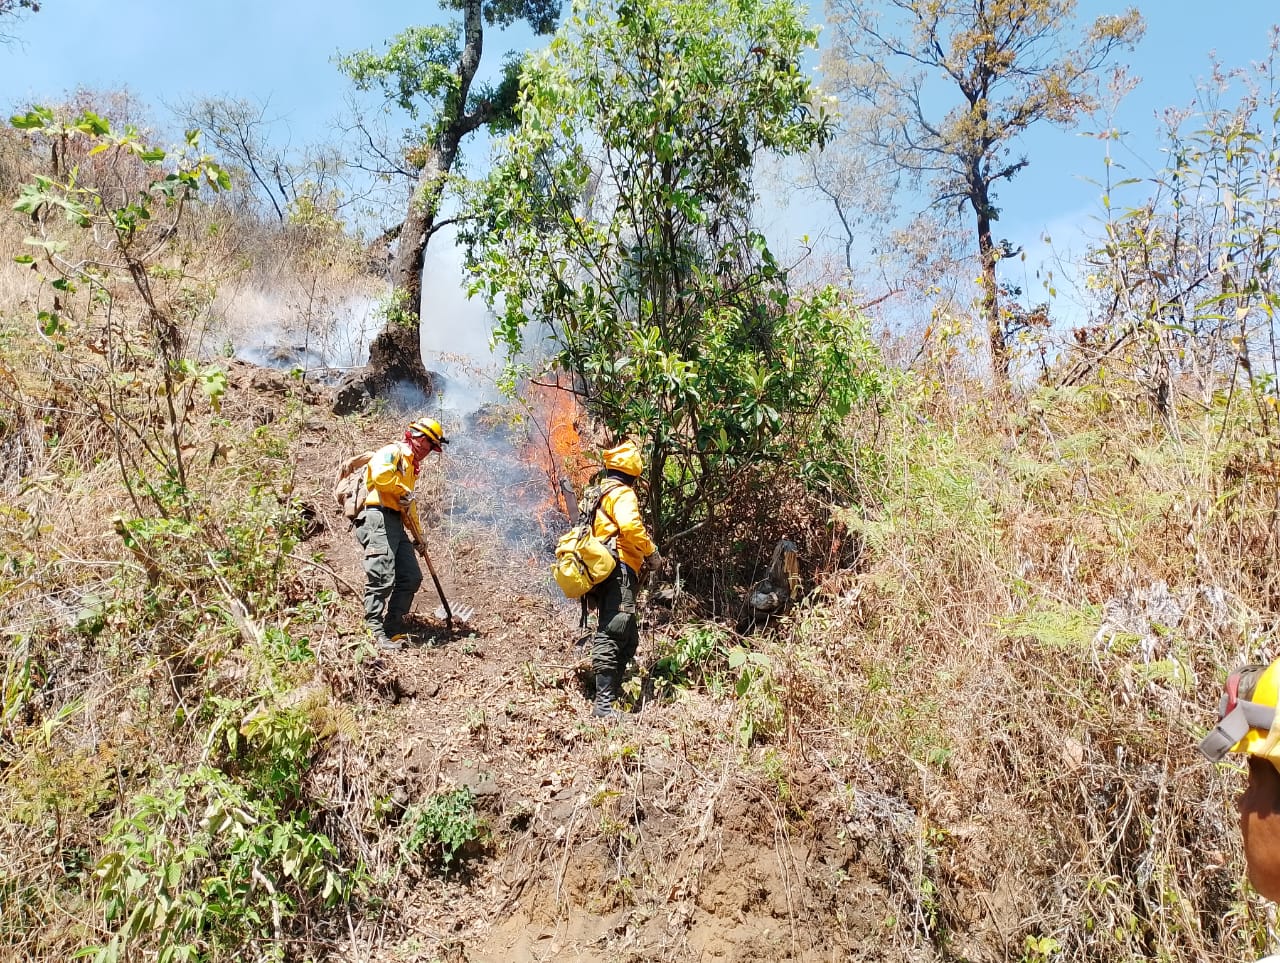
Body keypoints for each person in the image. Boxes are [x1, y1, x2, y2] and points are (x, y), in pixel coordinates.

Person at [354, 417, 448, 650]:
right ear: (416, 438)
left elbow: (409, 505)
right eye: (427, 444)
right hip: (378, 516)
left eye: (431, 447)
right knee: (382, 574)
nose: (427, 450)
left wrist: (419, 537)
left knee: (411, 576)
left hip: (396, 520)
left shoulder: (411, 468)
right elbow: (381, 476)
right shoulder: (392, 451)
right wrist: (402, 490)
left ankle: (392, 629)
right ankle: (373, 631)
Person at [587, 440, 661, 718]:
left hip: (601, 567)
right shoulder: (624, 494)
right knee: (613, 630)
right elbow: (630, 527)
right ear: (633, 474)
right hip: (618, 568)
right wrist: (651, 552)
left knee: (628, 637)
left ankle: (613, 695)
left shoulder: (599, 492)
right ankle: (603, 707)